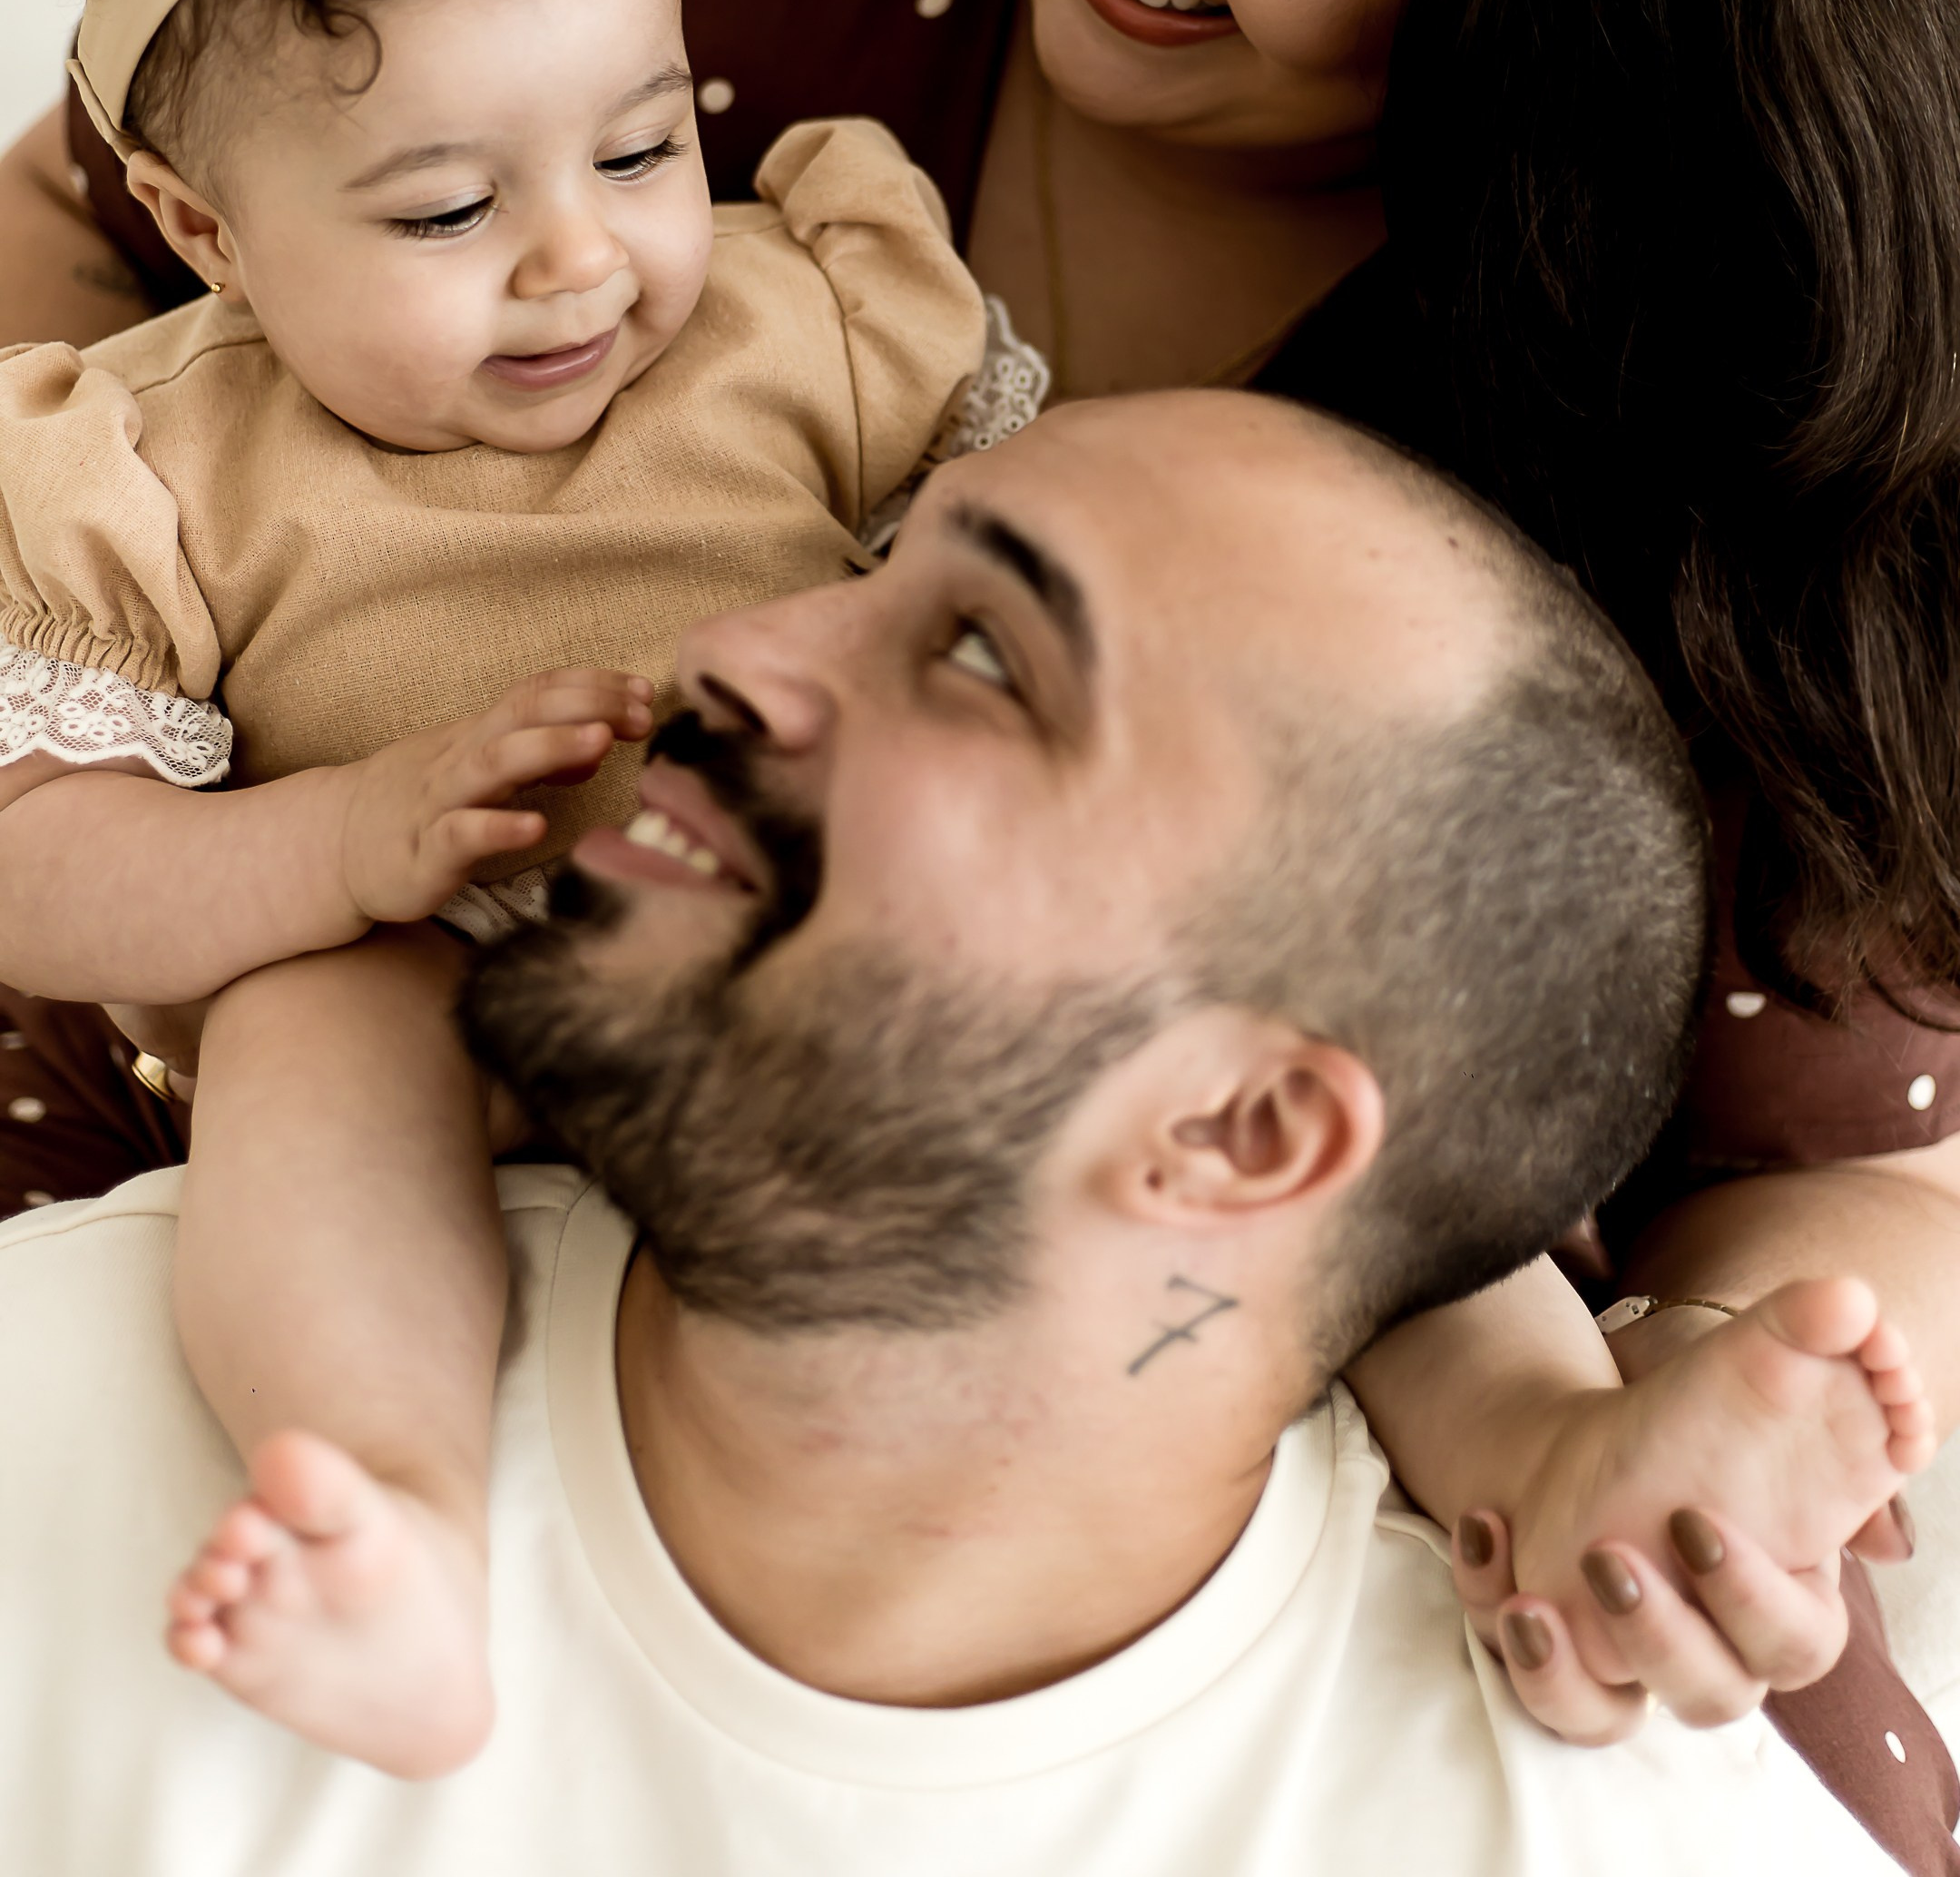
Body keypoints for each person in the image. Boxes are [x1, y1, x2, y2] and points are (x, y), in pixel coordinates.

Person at [5, 0, 1960, 1809]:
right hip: (281, 1095)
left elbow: (1831, 1170)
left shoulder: (1777, 372)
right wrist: (171, 627)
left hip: (1090, 1400)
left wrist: (1718, 1421)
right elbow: (103, 212)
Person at [0, 394, 1918, 1874]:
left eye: (988, 655)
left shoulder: (1588, 1833)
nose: (735, 642)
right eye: (875, 563)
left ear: (1243, 1133)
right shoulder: (61, 1435)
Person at [0, 0, 1005, 1777]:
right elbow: (39, 876)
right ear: (205, 233)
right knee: (306, 1021)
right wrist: (337, 842)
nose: (582, 263)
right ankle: (393, 1521)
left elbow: (1031, 592)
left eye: (645, 146)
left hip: (805, 938)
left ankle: (1511, 1401)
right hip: (428, 1010)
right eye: (452, 210)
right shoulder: (145, 462)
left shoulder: (811, 314)